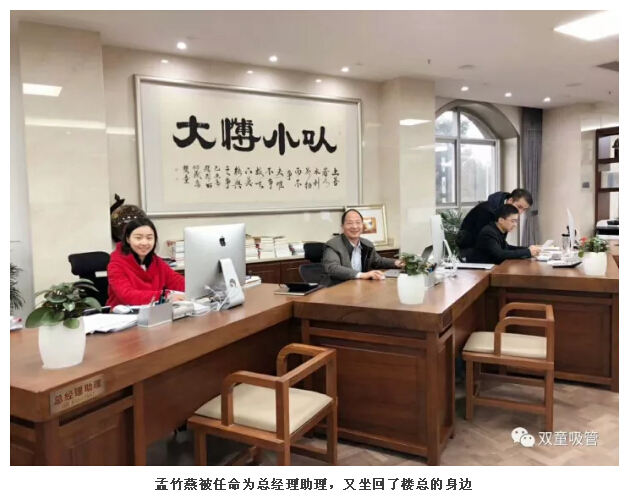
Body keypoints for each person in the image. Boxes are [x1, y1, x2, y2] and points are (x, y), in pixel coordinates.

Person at [106, 218, 186, 307]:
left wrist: (193, 287)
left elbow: (176, 281)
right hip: (124, 313)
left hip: (153, 310)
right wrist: (165, 296)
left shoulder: (157, 262)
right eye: (138, 238)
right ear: (128, 239)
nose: (144, 243)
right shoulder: (116, 264)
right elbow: (127, 295)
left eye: (149, 238)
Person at [320, 209, 404, 287]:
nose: (354, 226)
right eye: (350, 223)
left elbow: (378, 261)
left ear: (362, 226)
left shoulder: (367, 244)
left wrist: (397, 263)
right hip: (334, 289)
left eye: (358, 222)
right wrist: (362, 275)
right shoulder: (333, 245)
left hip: (358, 287)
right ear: (342, 227)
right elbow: (333, 268)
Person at [457, 188, 533, 261]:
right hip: (473, 257)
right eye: (519, 207)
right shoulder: (486, 211)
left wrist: (528, 250)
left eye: (524, 209)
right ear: (510, 200)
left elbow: (502, 246)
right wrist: (527, 251)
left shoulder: (505, 213)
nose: (520, 212)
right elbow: (493, 251)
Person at [470, 204, 541, 264]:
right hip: (484, 270)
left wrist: (528, 248)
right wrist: (527, 252)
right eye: (513, 221)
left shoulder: (499, 230)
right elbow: (500, 254)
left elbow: (507, 247)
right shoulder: (489, 232)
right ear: (501, 220)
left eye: (516, 221)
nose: (515, 225)